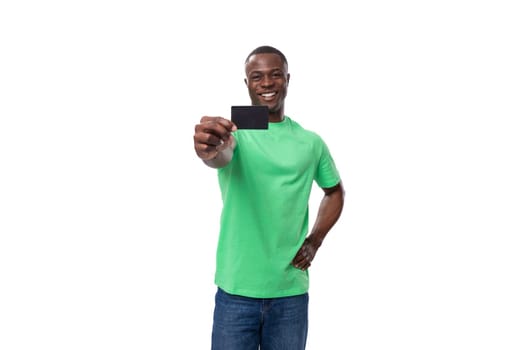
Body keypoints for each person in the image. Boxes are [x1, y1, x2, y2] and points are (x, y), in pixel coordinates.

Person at [193, 45, 345, 350]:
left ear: (288, 79)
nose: (266, 83)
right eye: (256, 76)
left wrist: (314, 241)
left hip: (289, 293)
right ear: (246, 83)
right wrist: (208, 149)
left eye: (275, 75)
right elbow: (220, 154)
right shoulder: (236, 130)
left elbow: (334, 191)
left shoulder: (309, 141)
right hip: (236, 291)